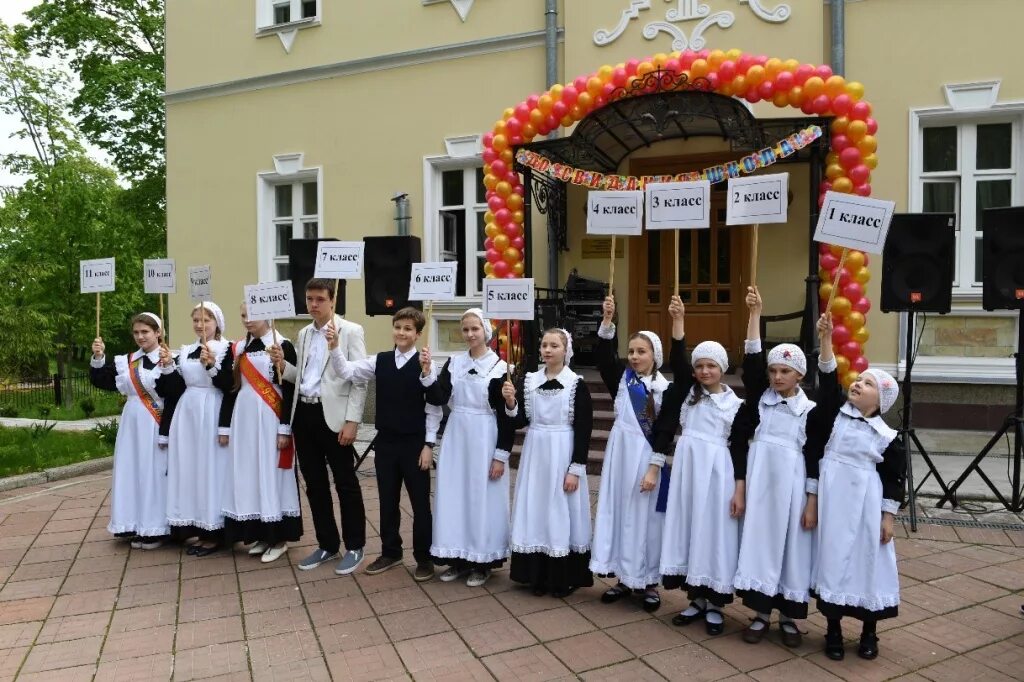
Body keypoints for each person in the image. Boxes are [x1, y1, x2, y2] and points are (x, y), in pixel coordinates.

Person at [730, 286, 831, 647]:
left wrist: (812, 500)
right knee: (759, 544)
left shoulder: (810, 411)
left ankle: (788, 615)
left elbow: (816, 456)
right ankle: (759, 613)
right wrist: (755, 315)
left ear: (799, 375)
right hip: (760, 487)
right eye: (773, 371)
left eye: (784, 371)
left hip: (792, 490)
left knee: (791, 548)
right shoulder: (760, 402)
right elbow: (753, 364)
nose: (776, 377)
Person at [805, 320, 906, 661]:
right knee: (833, 560)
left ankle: (868, 632)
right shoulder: (836, 416)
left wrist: (887, 517)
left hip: (864, 507)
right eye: (859, 380)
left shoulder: (887, 436)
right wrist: (826, 338)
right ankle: (832, 630)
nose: (859, 385)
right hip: (834, 504)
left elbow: (894, 478)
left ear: (882, 401)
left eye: (868, 384)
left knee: (867, 564)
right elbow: (829, 379)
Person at [328, 306, 443, 582]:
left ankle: (424, 557)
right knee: (387, 500)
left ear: (417, 334)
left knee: (419, 504)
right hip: (387, 443)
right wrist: (334, 347)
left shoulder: (425, 363)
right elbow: (346, 371)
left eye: (408, 329)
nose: (401, 332)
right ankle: (391, 551)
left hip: (415, 444)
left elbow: (434, 408)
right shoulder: (379, 361)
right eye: (398, 327)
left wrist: (429, 444)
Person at [655, 294, 744, 635]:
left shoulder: (735, 404)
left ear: (723, 368)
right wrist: (678, 322)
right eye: (700, 365)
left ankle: (716, 603)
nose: (705, 371)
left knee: (714, 533)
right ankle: (695, 599)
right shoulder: (687, 395)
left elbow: (738, 450)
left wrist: (738, 485)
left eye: (712, 365)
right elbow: (678, 360)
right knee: (690, 528)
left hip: (717, 473)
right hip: (689, 471)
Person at [268, 278, 368, 574]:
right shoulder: (303, 333)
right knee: (314, 484)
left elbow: (359, 379)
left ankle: (355, 545)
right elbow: (305, 377)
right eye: (309, 298)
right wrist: (283, 366)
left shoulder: (351, 331)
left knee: (345, 483)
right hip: (305, 414)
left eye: (319, 299)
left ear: (332, 300)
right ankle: (327, 543)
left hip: (334, 416)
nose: (313, 304)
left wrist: (352, 421)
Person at [420, 309, 513, 587]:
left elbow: (508, 420)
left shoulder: (501, 367)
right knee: (455, 497)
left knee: (481, 499)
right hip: (457, 435)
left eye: (475, 329)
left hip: (485, 436)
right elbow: (438, 397)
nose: (471, 334)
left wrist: (500, 455)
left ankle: (481, 562)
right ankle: (457, 559)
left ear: (487, 331)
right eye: (466, 330)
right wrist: (427, 373)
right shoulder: (454, 363)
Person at [500, 328, 594, 598]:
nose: (548, 350)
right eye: (544, 345)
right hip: (536, 453)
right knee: (536, 509)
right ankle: (535, 574)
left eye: (555, 345)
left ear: (566, 350)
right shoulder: (529, 381)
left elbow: (584, 429)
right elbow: (520, 421)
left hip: (562, 451)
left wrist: (575, 468)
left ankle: (562, 576)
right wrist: (510, 402)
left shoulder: (576, 384)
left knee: (561, 510)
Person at [590, 295, 669, 611]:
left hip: (646, 458)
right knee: (621, 512)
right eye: (632, 351)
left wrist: (655, 464)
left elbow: (663, 432)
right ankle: (623, 577)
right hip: (620, 455)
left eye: (642, 352)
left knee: (646, 517)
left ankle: (648, 581)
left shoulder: (665, 388)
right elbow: (603, 358)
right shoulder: (622, 381)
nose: (635, 357)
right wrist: (608, 320)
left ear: (655, 355)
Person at [218, 304, 302, 563]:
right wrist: (225, 426)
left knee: (271, 473)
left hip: (270, 417)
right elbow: (229, 388)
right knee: (251, 474)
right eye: (243, 315)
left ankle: (279, 537)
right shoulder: (238, 348)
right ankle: (261, 533)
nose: (247, 320)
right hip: (244, 419)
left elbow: (290, 390)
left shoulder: (282, 344)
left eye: (252, 315)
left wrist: (284, 428)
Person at [157, 302, 233, 557]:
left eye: (206, 320)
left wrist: (212, 365)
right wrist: (168, 365)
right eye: (196, 321)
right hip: (187, 412)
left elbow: (228, 385)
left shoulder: (226, 348)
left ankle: (214, 533)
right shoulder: (186, 350)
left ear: (217, 323)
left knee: (209, 469)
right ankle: (193, 526)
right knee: (188, 469)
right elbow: (176, 387)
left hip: (211, 410)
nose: (200, 325)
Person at [89, 312, 169, 549]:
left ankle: (156, 528)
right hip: (132, 422)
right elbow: (102, 380)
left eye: (145, 332)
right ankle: (132, 523)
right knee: (132, 471)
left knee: (153, 471)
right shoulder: (127, 361)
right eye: (136, 332)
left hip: (156, 421)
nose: (140, 337)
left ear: (158, 332)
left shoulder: (169, 357)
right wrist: (98, 356)